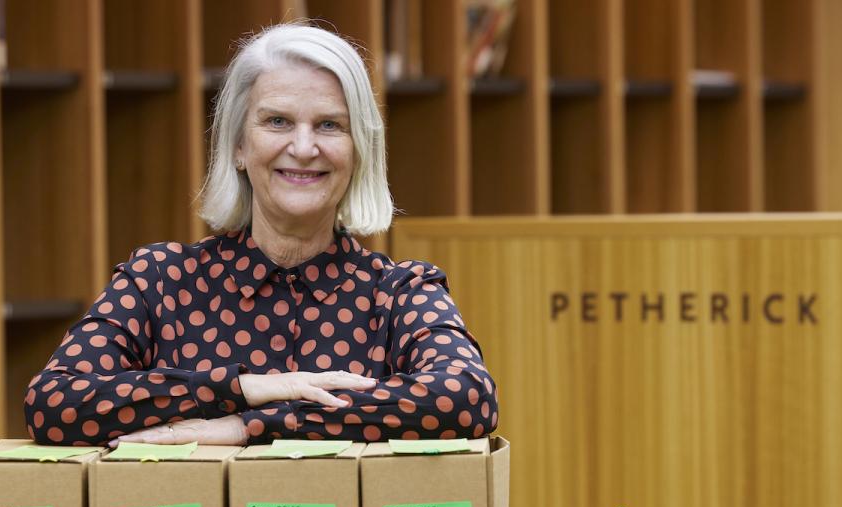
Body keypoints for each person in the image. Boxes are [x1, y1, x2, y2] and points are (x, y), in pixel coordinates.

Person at [25, 22, 497, 446]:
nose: (304, 147)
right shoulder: (160, 281)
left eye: (330, 125)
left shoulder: (402, 293)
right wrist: (244, 388)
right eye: (278, 122)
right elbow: (53, 402)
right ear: (237, 147)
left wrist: (252, 425)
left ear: (359, 153)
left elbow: (467, 398)